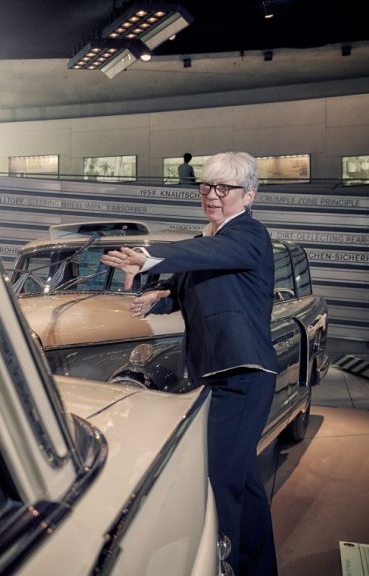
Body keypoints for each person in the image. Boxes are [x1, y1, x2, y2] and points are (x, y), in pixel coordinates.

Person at [101, 151, 277, 576]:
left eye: (224, 188)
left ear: (249, 195)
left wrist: (145, 254)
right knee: (242, 480)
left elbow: (206, 256)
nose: (212, 195)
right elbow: (185, 288)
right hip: (216, 374)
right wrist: (157, 297)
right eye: (206, 186)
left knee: (217, 481)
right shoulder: (207, 242)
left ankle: (222, 566)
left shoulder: (249, 235)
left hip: (242, 374)